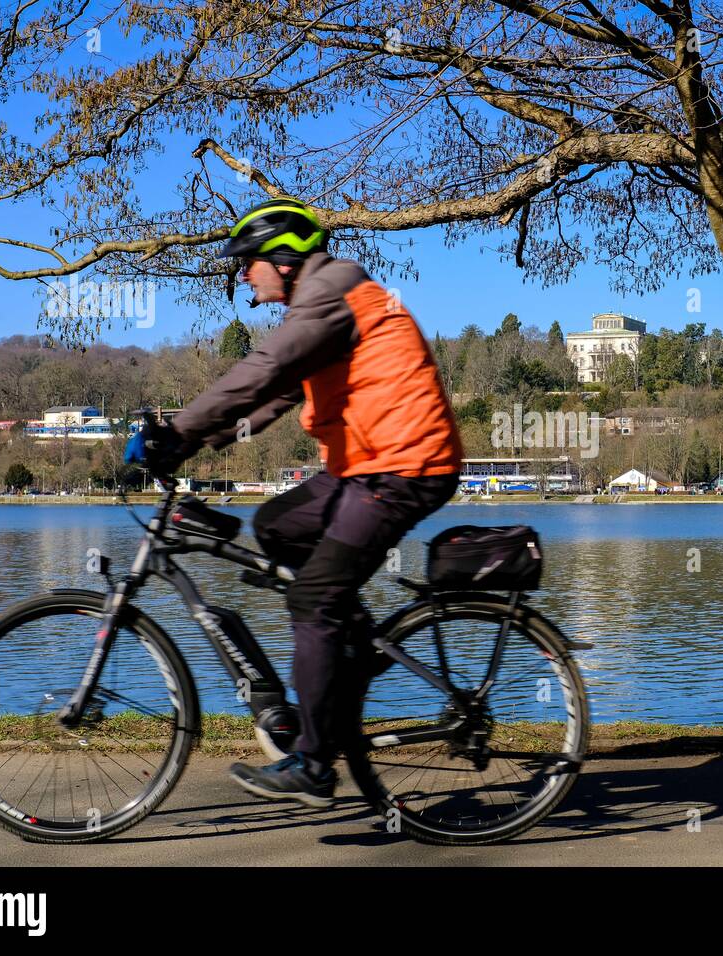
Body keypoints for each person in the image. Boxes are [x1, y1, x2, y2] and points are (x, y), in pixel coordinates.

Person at [130, 197, 462, 807]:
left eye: (248, 261)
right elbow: (275, 399)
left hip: (404, 466)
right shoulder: (320, 306)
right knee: (275, 525)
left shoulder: (331, 294)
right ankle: (352, 644)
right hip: (363, 465)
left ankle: (313, 761)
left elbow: (267, 367)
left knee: (312, 597)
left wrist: (181, 430)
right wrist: (194, 440)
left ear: (284, 259)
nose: (241, 275)